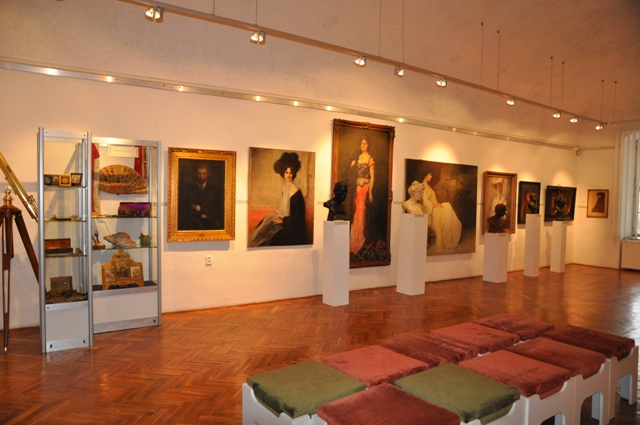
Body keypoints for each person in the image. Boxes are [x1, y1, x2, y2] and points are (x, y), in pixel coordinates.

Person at [249, 152, 307, 247]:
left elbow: (298, 218)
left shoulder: (297, 192)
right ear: (283, 173)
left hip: (293, 226)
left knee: (275, 238)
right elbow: (283, 208)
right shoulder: (285, 187)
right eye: (286, 172)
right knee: (264, 223)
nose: (288, 175)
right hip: (285, 219)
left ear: (294, 174)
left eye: (291, 173)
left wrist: (283, 220)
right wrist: (278, 216)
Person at [348, 135, 384, 259]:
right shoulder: (357, 157)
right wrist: (352, 165)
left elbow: (372, 177)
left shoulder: (370, 159)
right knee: (356, 213)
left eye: (365, 143)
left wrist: (370, 192)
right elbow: (351, 173)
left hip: (365, 188)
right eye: (362, 143)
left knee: (363, 213)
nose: (363, 145)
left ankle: (361, 240)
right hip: (357, 188)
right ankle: (354, 241)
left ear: (368, 145)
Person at [422, 166, 462, 252]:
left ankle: (453, 231)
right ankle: (450, 234)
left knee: (447, 205)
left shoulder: (428, 186)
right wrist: (435, 205)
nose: (431, 176)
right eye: (430, 174)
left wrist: (437, 202)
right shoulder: (423, 186)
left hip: (435, 206)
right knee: (447, 206)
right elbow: (425, 202)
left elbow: (432, 197)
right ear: (426, 175)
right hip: (431, 210)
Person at [179, 162, 224, 230]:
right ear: (196, 173)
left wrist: (197, 208)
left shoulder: (214, 189)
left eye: (204, 173)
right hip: (194, 221)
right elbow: (187, 206)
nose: (201, 177)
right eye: (199, 173)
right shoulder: (190, 188)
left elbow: (215, 207)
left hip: (210, 221)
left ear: (207, 174)